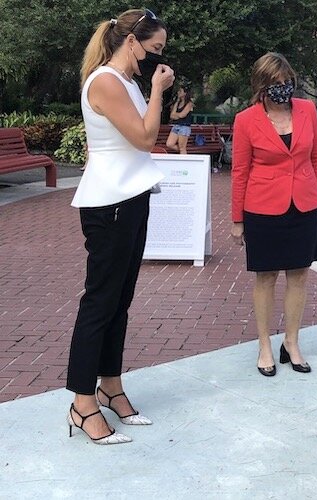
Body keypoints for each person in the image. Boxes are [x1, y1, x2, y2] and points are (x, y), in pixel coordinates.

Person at [67, 8, 174, 444]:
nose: (158, 56)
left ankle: (110, 386)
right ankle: (81, 402)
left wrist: (147, 89)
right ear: (131, 40)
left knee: (120, 299)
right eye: (155, 47)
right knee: (100, 302)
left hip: (130, 197)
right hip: (109, 204)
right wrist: (157, 90)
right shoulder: (108, 82)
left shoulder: (125, 82)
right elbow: (146, 137)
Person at [230, 52, 317, 377]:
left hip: (304, 206)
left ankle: (292, 343)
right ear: (261, 86)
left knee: (299, 275)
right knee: (266, 277)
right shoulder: (245, 120)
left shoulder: (308, 111)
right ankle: (265, 346)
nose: (282, 88)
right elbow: (240, 171)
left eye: (286, 82)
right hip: (263, 208)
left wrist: (316, 195)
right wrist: (237, 220)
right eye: (275, 84)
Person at [166, 84, 193, 154]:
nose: (178, 92)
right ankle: (183, 151)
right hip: (176, 125)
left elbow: (182, 115)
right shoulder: (177, 103)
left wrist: (176, 115)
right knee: (169, 144)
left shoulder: (189, 104)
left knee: (182, 147)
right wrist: (177, 115)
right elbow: (172, 115)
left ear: (185, 93)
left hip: (184, 126)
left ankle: (183, 155)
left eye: (180, 91)